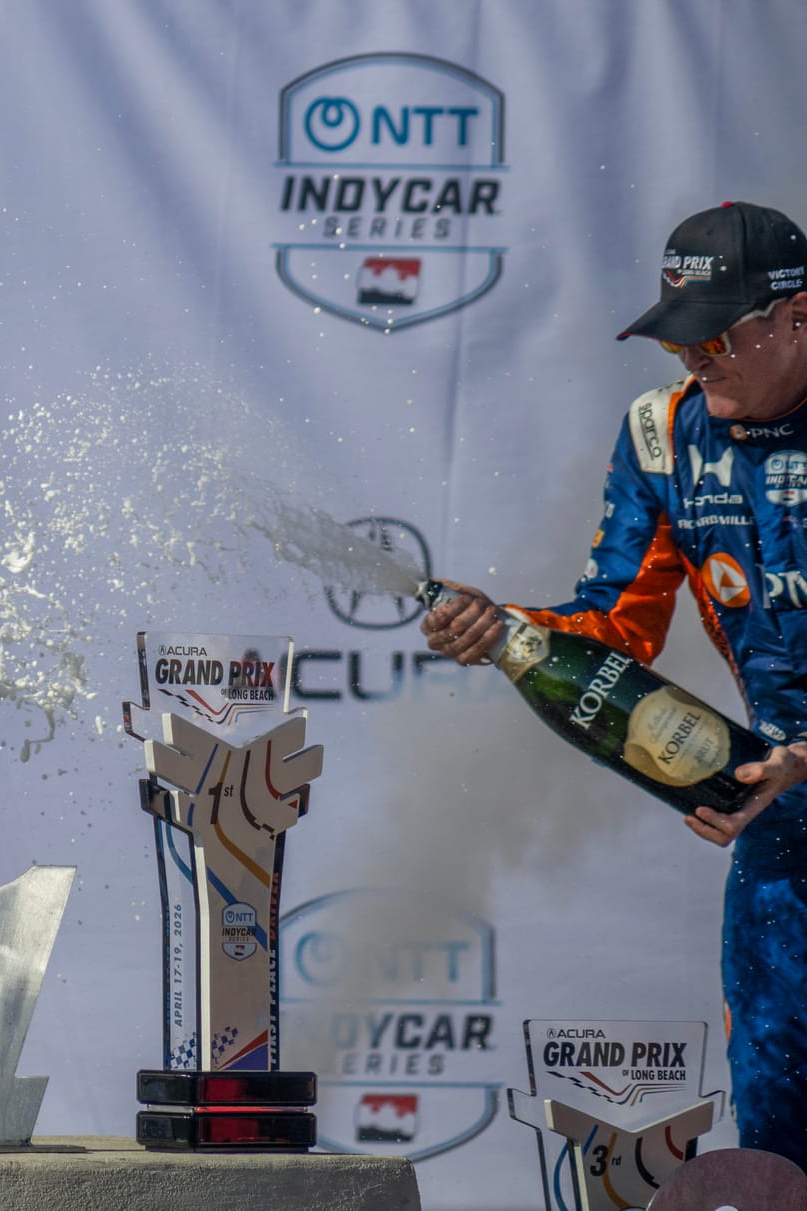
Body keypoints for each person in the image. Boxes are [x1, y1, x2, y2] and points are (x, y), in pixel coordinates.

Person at [423, 200, 807, 1164]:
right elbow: (617, 625)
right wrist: (503, 629)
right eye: (679, 338)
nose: (694, 359)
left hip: (791, 778)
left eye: (717, 335)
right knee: (777, 1126)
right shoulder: (662, 436)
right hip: (783, 822)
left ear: (798, 317)